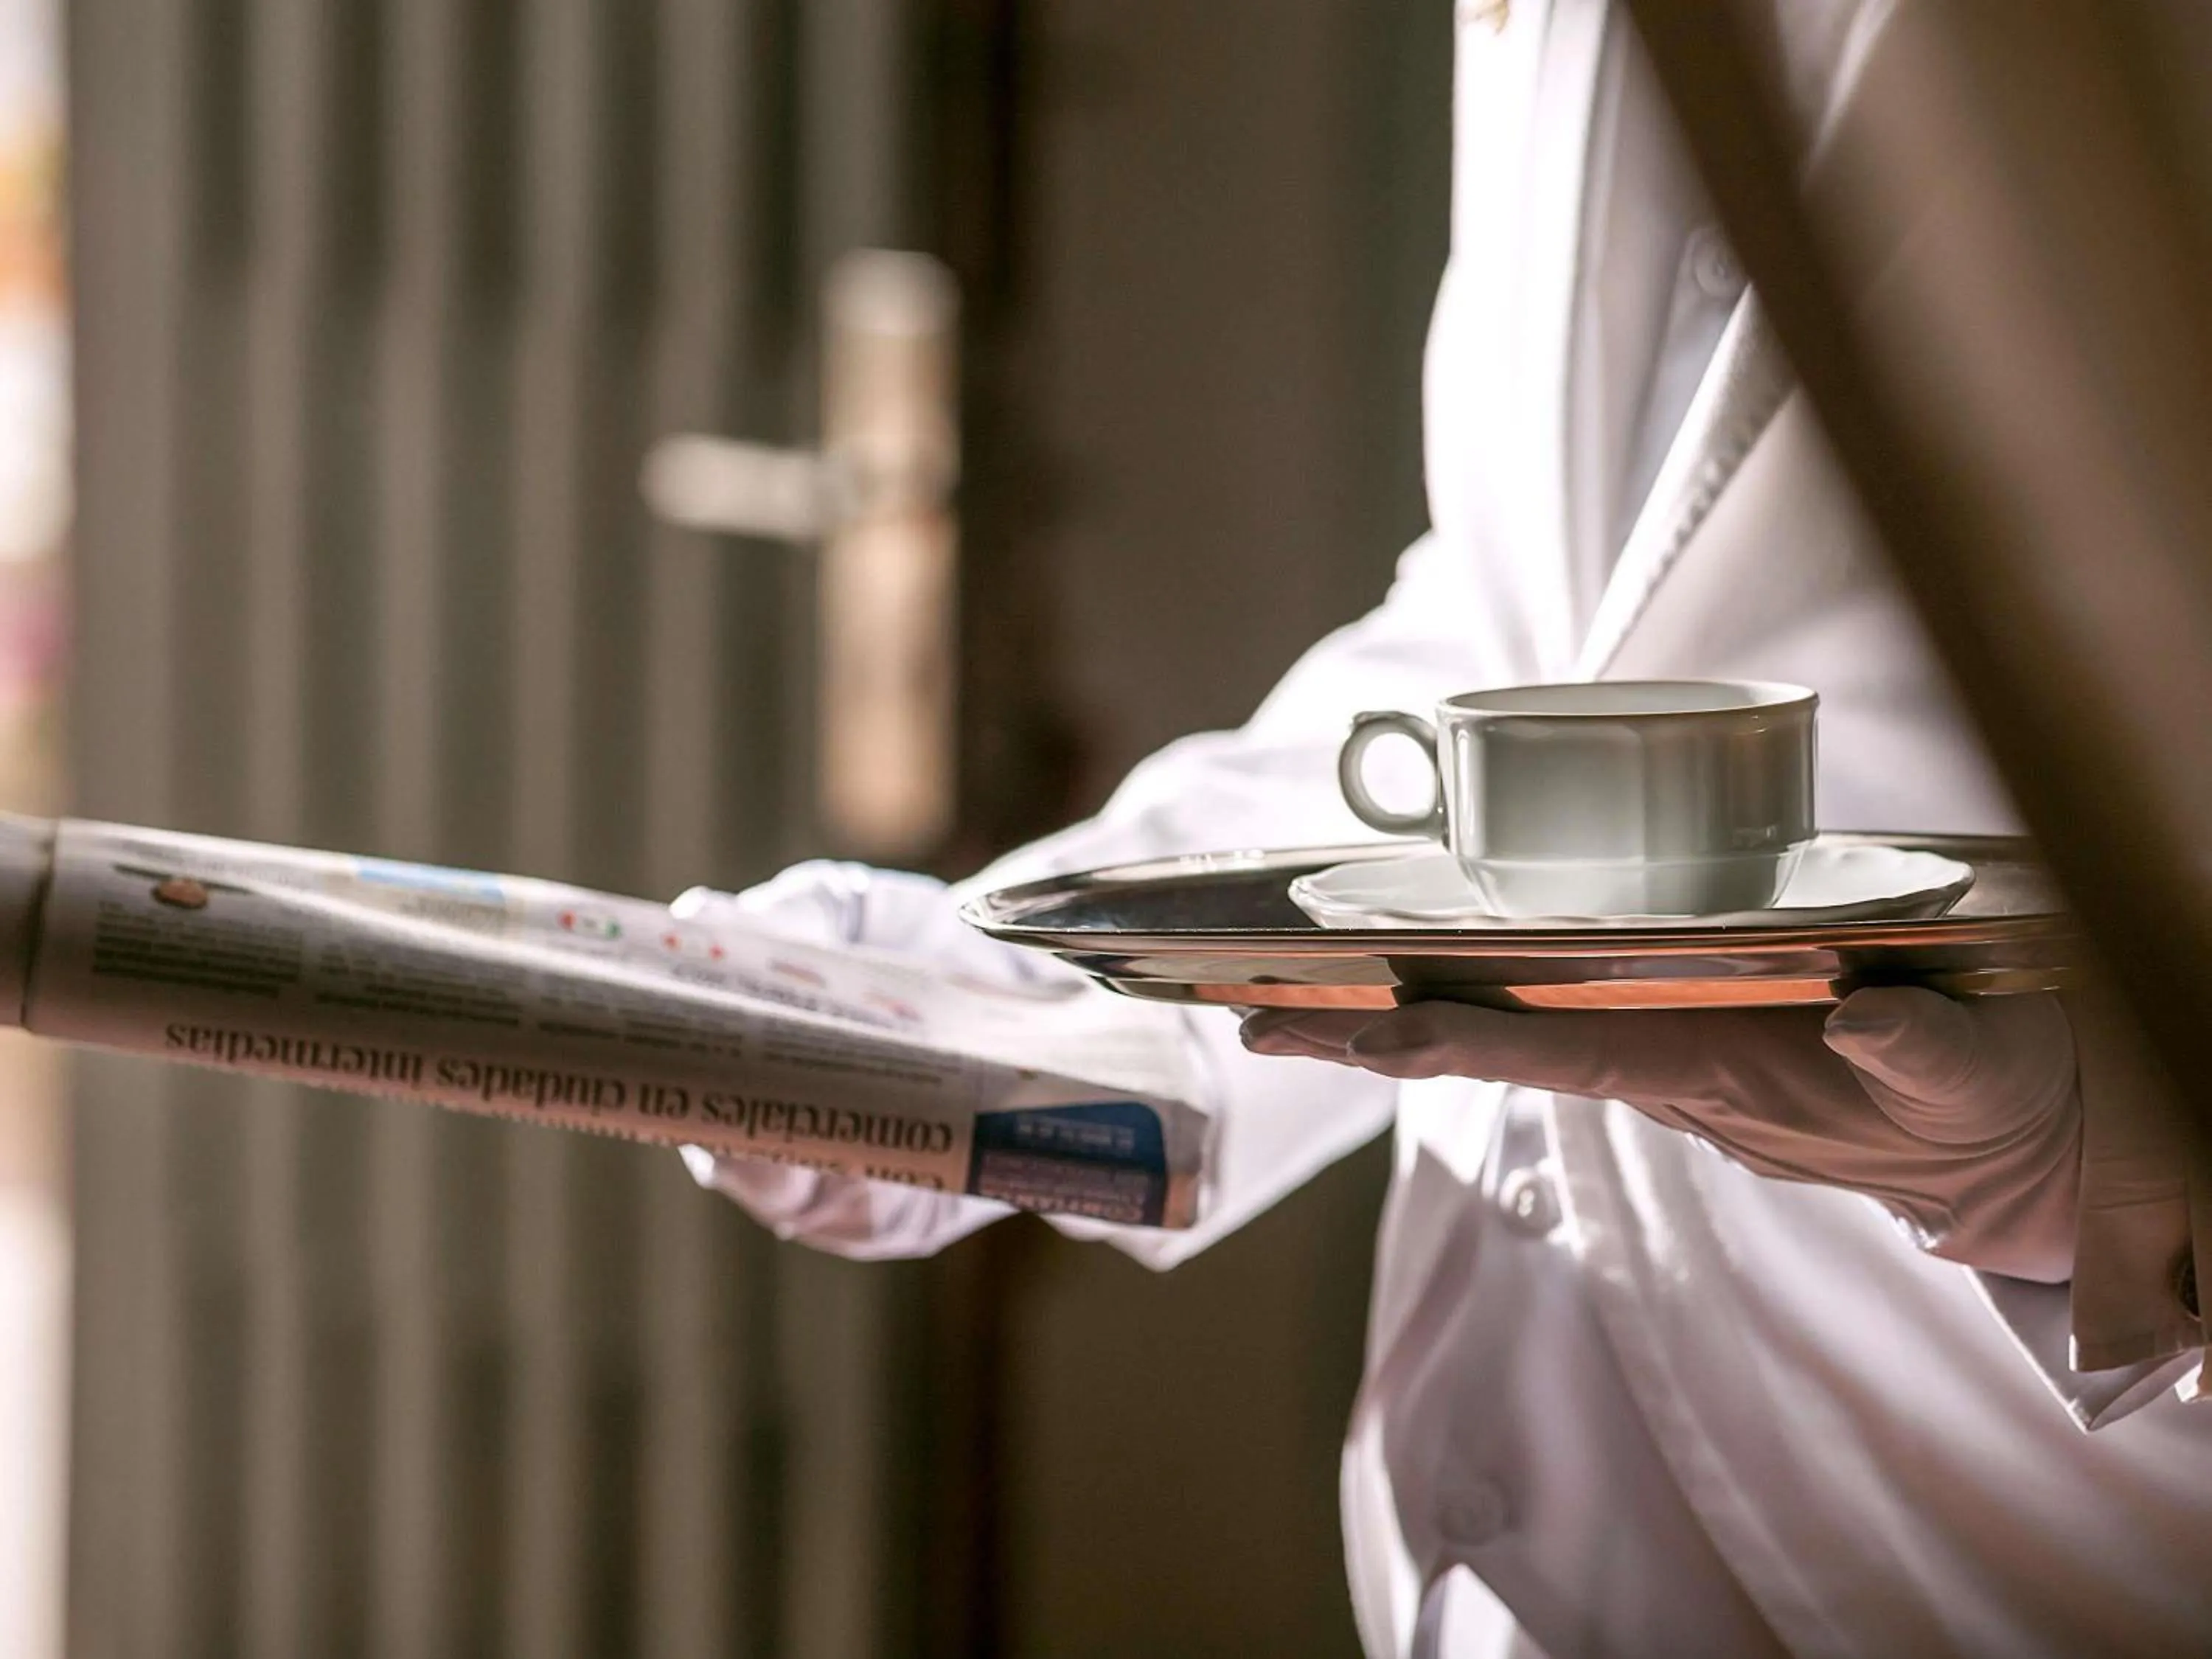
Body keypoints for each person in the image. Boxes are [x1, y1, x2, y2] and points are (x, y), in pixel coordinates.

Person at [679, 2, 2212, 1653]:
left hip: (2034, 1543)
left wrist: (2089, 1165)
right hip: (1497, 1547)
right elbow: (1537, 630)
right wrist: (1038, 1022)